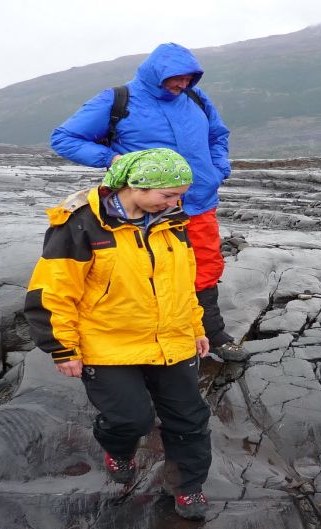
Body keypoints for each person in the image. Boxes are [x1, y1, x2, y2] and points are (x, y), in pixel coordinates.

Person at [24, 148, 213, 521]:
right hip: (108, 342)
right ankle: (118, 448)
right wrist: (63, 348)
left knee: (190, 418)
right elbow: (54, 289)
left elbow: (183, 282)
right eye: (168, 195)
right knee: (131, 419)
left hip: (171, 338)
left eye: (179, 196)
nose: (175, 203)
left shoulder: (173, 220)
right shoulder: (82, 223)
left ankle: (187, 485)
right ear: (137, 186)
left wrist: (195, 327)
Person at [50, 42, 247, 362]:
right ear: (157, 73)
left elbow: (217, 135)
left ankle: (212, 332)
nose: (183, 84)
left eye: (189, 78)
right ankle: (143, 342)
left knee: (205, 266)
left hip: (198, 202)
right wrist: (112, 159)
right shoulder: (118, 99)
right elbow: (64, 138)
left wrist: (217, 168)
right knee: (146, 271)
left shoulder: (196, 98)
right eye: (176, 77)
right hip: (143, 208)